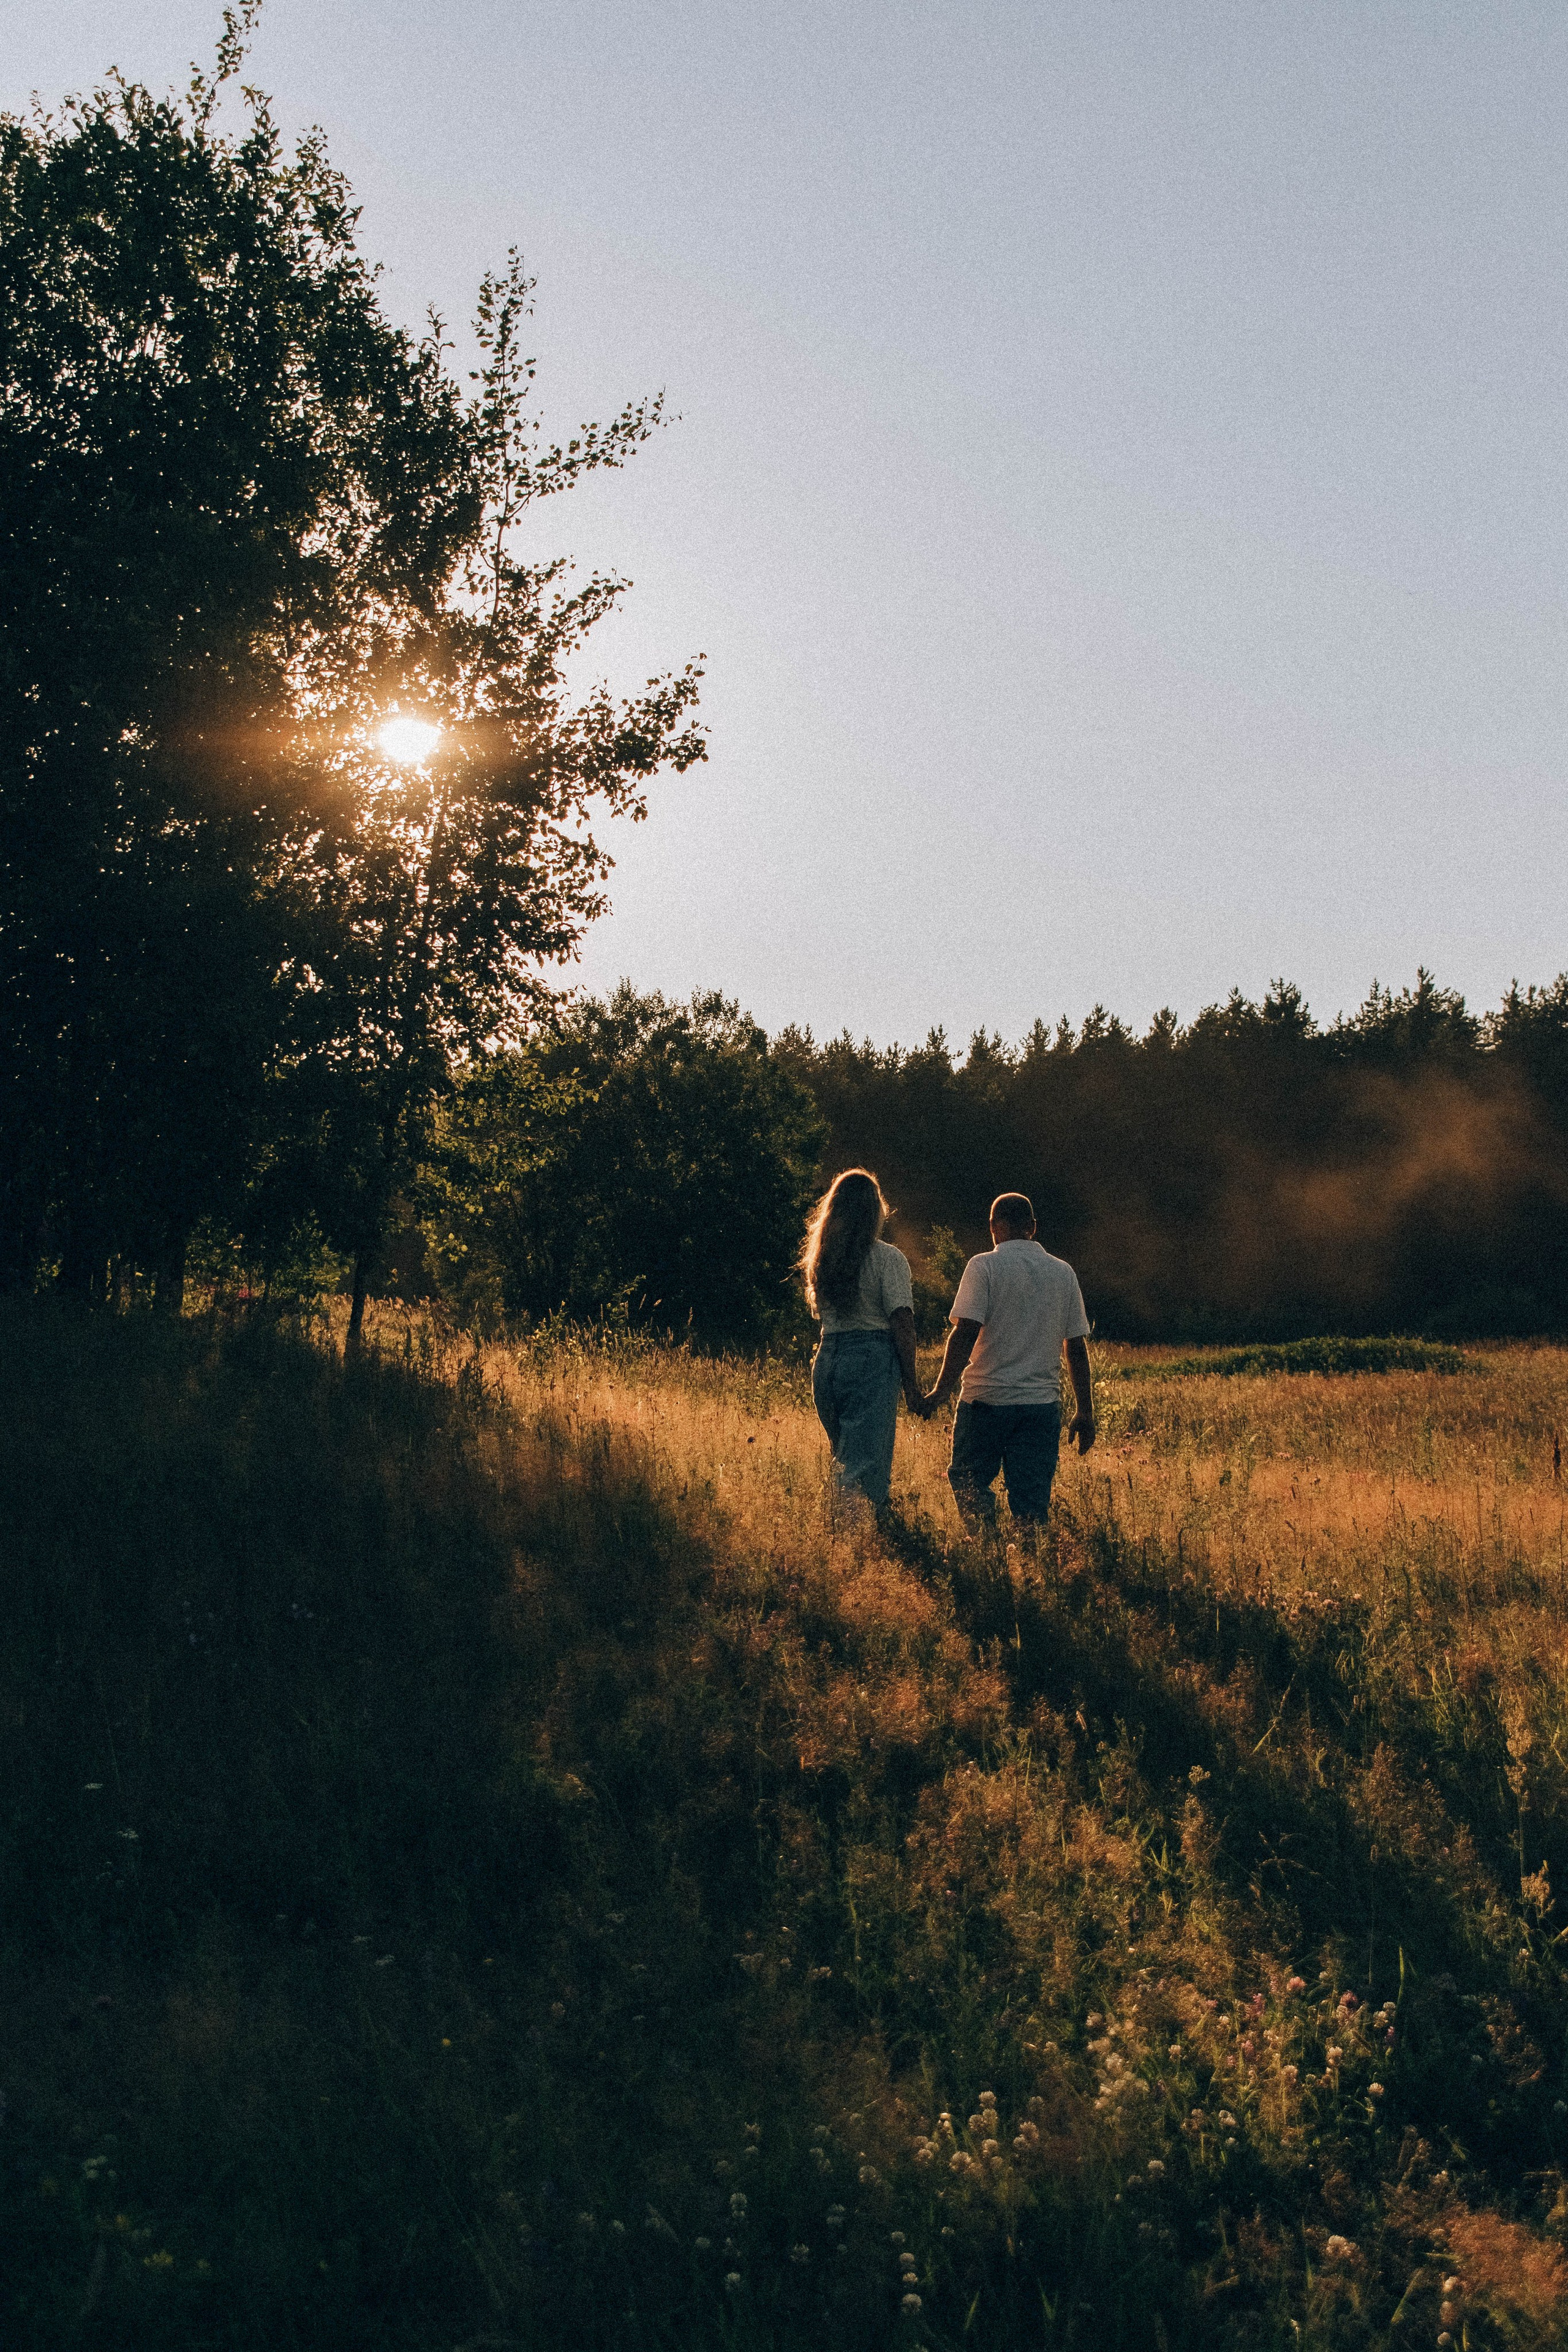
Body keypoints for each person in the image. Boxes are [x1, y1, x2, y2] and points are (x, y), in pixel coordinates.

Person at [921, 1191, 1095, 1533]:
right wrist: (1084, 1410)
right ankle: (1028, 1568)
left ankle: (989, 1550)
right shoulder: (1063, 1273)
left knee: (969, 1481)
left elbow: (965, 1332)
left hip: (985, 1403)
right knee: (1031, 1503)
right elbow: (1075, 1346)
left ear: (993, 1227)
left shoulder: (983, 1265)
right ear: (1033, 1227)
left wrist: (941, 1389)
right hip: (1040, 1407)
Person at [801, 1168, 923, 1512]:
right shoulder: (887, 1259)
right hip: (870, 1361)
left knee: (843, 1458)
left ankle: (845, 1535)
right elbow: (902, 1321)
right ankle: (853, 1547)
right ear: (875, 1210)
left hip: (826, 1361)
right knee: (861, 1469)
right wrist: (911, 1386)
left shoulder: (822, 1261)